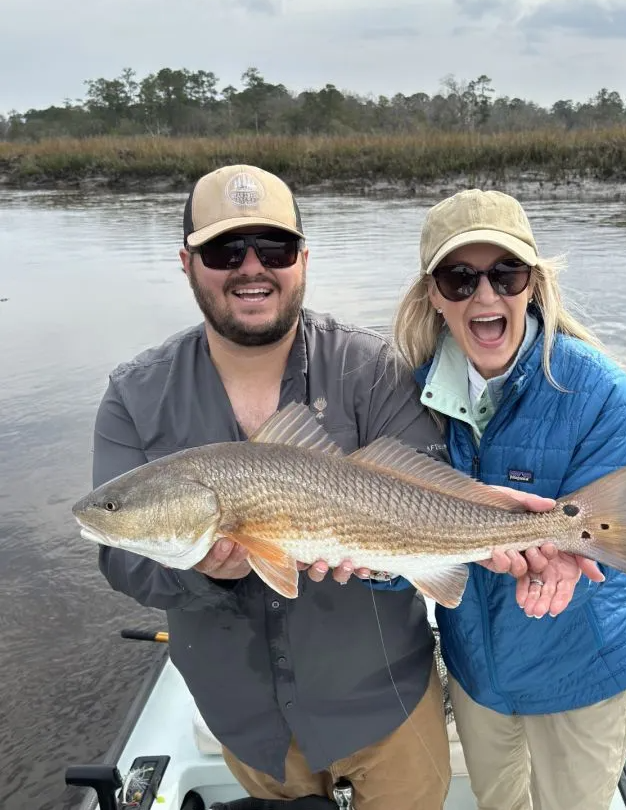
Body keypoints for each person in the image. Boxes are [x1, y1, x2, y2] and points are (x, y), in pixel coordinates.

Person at [88, 164, 555, 809]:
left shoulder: (373, 368)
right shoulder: (134, 396)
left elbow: (425, 503)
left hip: (386, 705)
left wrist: (487, 529)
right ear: (187, 263)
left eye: (274, 248)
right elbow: (118, 556)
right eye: (225, 250)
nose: (252, 268)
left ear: (303, 259)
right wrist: (204, 574)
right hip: (246, 721)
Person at [392, 188, 626, 810]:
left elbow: (604, 533)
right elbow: (401, 536)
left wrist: (568, 555)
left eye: (505, 273)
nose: (485, 296)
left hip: (584, 667)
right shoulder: (406, 397)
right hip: (477, 670)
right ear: (434, 294)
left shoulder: (599, 389)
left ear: (533, 284)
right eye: (459, 279)